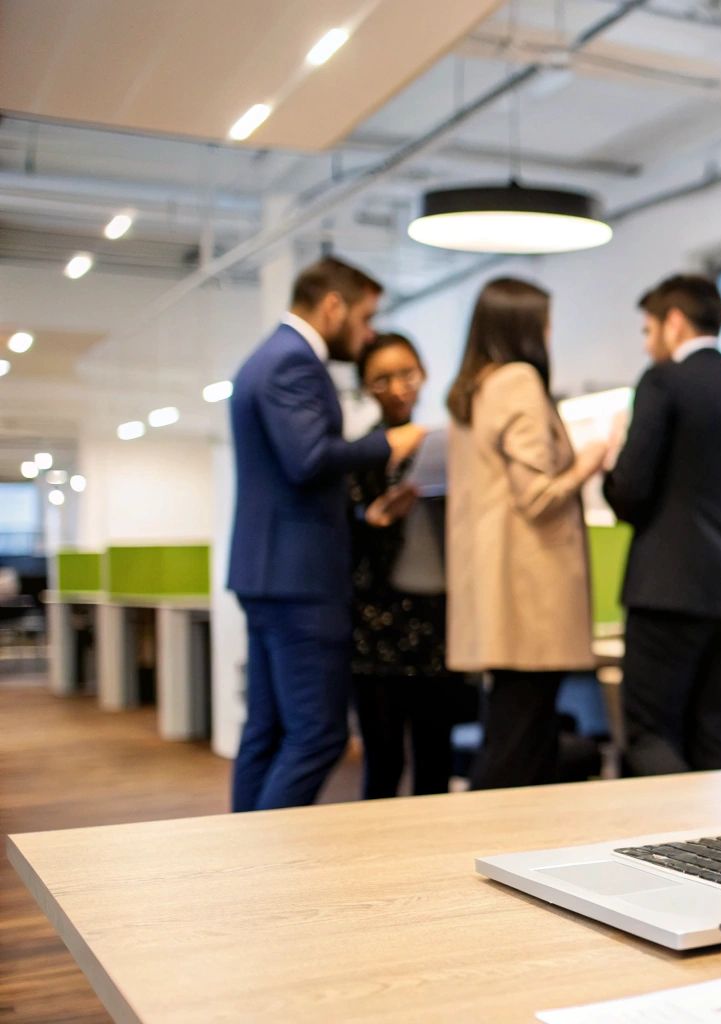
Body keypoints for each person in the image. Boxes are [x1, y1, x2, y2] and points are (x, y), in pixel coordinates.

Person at [226, 257, 425, 812]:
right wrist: (393, 443)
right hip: (300, 580)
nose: (366, 335)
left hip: (269, 573)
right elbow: (308, 459)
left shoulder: (266, 359)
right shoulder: (294, 362)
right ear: (333, 306)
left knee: (267, 730)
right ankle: (268, 859)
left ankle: (243, 860)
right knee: (318, 735)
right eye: (365, 319)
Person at [602, 274, 721, 776]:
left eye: (648, 329)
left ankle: (661, 851)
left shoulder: (662, 381)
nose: (647, 342)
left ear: (674, 323)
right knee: (717, 735)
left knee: (650, 732)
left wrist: (611, 472)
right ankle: (720, 851)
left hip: (668, 591)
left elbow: (632, 491)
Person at [445, 278, 603, 789]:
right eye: (545, 322)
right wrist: (588, 463)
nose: (551, 333)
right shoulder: (518, 382)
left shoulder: (478, 388)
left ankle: (499, 848)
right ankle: (491, 850)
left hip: (498, 592)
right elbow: (536, 496)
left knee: (512, 732)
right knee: (521, 743)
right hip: (530, 594)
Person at [349, 333, 457, 798]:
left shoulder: (444, 445)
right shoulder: (359, 455)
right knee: (384, 760)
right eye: (381, 380)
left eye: (407, 374)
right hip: (377, 625)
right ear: (364, 387)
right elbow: (343, 541)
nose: (397, 388)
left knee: (436, 758)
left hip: (437, 617)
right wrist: (375, 519)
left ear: (424, 374)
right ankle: (373, 866)